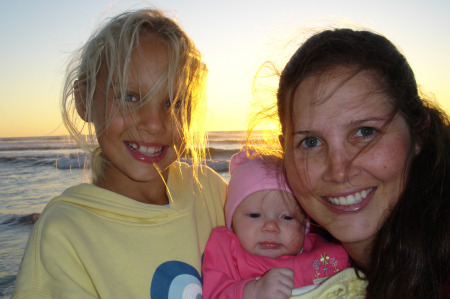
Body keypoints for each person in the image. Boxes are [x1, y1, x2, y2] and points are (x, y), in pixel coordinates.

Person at [13, 9, 226, 298]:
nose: (154, 123)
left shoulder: (210, 191)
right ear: (84, 101)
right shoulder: (65, 233)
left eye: (174, 103)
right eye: (130, 97)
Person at [263, 28, 450, 298]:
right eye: (311, 142)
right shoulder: (293, 252)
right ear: (286, 153)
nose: (339, 171)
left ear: (418, 132)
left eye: (365, 132)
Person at [202, 149, 350, 299]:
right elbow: (213, 293)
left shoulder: (325, 253)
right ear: (232, 221)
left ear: (304, 224)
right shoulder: (227, 250)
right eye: (255, 215)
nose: (271, 227)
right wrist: (252, 292)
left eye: (286, 217)